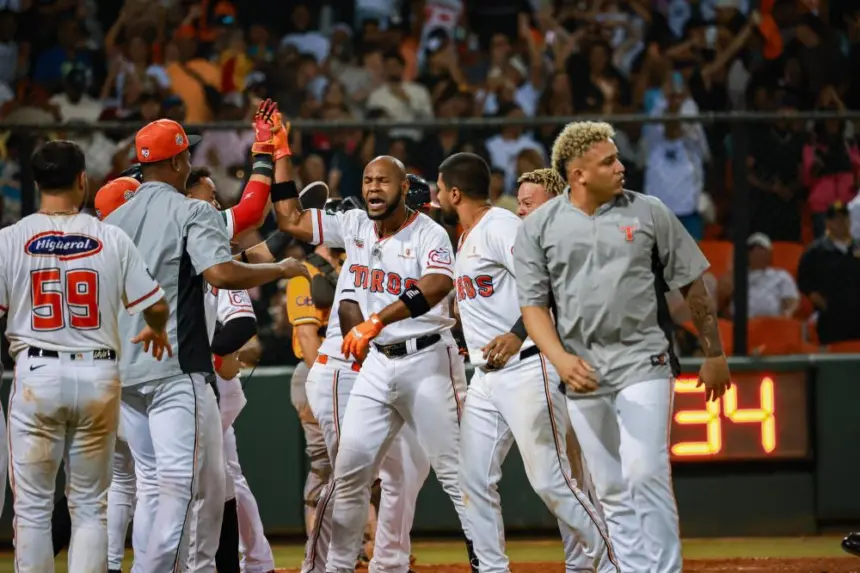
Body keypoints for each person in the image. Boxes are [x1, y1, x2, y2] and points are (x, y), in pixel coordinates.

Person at [513, 121, 731, 573]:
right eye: (608, 160)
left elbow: (693, 287)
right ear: (578, 174)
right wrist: (560, 360)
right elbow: (532, 307)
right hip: (582, 370)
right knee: (610, 486)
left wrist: (713, 353)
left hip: (643, 361)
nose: (621, 166)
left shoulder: (649, 211)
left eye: (617, 157)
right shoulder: (538, 227)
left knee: (645, 472)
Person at [104, 115, 307, 572]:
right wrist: (280, 269)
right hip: (178, 372)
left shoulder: (112, 222)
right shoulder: (190, 211)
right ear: (178, 161)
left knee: (154, 490)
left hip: (123, 376)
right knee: (197, 493)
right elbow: (220, 271)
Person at [271, 155, 479, 573]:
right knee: (349, 475)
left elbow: (438, 284)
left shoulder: (430, 233)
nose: (373, 188)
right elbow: (290, 219)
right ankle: (338, 567)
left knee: (452, 476)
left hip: (425, 360)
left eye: (383, 181)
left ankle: (487, 563)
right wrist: (278, 156)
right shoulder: (354, 225)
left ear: (403, 188)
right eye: (368, 180)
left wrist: (377, 321)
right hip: (373, 364)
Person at [435, 152, 617, 573]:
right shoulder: (467, 235)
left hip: (528, 365)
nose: (438, 195)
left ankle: (612, 563)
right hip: (485, 376)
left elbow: (549, 279)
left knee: (552, 481)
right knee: (473, 480)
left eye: (442, 188)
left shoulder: (501, 227)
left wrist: (517, 332)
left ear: (455, 192)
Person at [0, 140, 171, 572]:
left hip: (37, 372)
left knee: (34, 509)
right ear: (83, 180)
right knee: (91, 507)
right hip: (98, 373)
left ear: (36, 183)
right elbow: (155, 303)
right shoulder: (110, 237)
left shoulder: (9, 240)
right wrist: (156, 327)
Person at [302, 185, 438, 573]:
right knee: (350, 474)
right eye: (419, 207)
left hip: (386, 370)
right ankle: (319, 564)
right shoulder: (365, 247)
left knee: (407, 469)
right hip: (345, 369)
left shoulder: (421, 247)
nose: (423, 215)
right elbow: (348, 311)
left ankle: (389, 562)